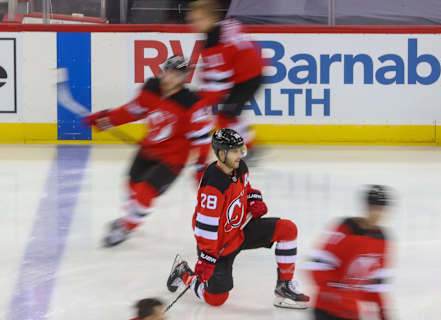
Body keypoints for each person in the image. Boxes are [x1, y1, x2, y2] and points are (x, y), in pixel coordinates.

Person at [166, 128, 310, 309]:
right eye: (235, 151)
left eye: (241, 150)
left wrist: (254, 199)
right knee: (216, 299)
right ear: (221, 153)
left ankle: (284, 287)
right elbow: (204, 226)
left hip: (241, 229)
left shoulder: (239, 167)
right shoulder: (213, 184)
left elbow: (246, 189)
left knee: (287, 229)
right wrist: (207, 257)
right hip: (218, 245)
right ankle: (184, 274)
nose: (240, 155)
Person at [83, 55, 213, 246]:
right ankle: (130, 216)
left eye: (176, 75)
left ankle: (127, 226)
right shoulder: (151, 89)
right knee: (131, 186)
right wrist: (106, 118)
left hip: (173, 159)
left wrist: (201, 164)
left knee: (145, 191)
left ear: (183, 78)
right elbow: (132, 111)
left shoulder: (191, 104)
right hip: (147, 150)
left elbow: (202, 138)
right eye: (168, 72)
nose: (170, 78)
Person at [187, 0, 265, 182]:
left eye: (197, 20)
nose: (194, 25)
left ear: (210, 18)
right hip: (249, 72)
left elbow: (219, 84)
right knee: (228, 115)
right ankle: (250, 147)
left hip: (248, 78)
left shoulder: (213, 42)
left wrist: (200, 102)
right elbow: (216, 72)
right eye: (192, 20)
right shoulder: (226, 25)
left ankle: (250, 149)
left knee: (226, 116)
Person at [307, 185, 393, 320]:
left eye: (381, 209)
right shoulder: (346, 229)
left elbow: (377, 283)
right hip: (326, 309)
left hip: (351, 312)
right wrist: (334, 292)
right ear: (366, 207)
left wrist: (383, 312)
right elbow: (316, 265)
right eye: (374, 207)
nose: (377, 213)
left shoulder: (382, 239)